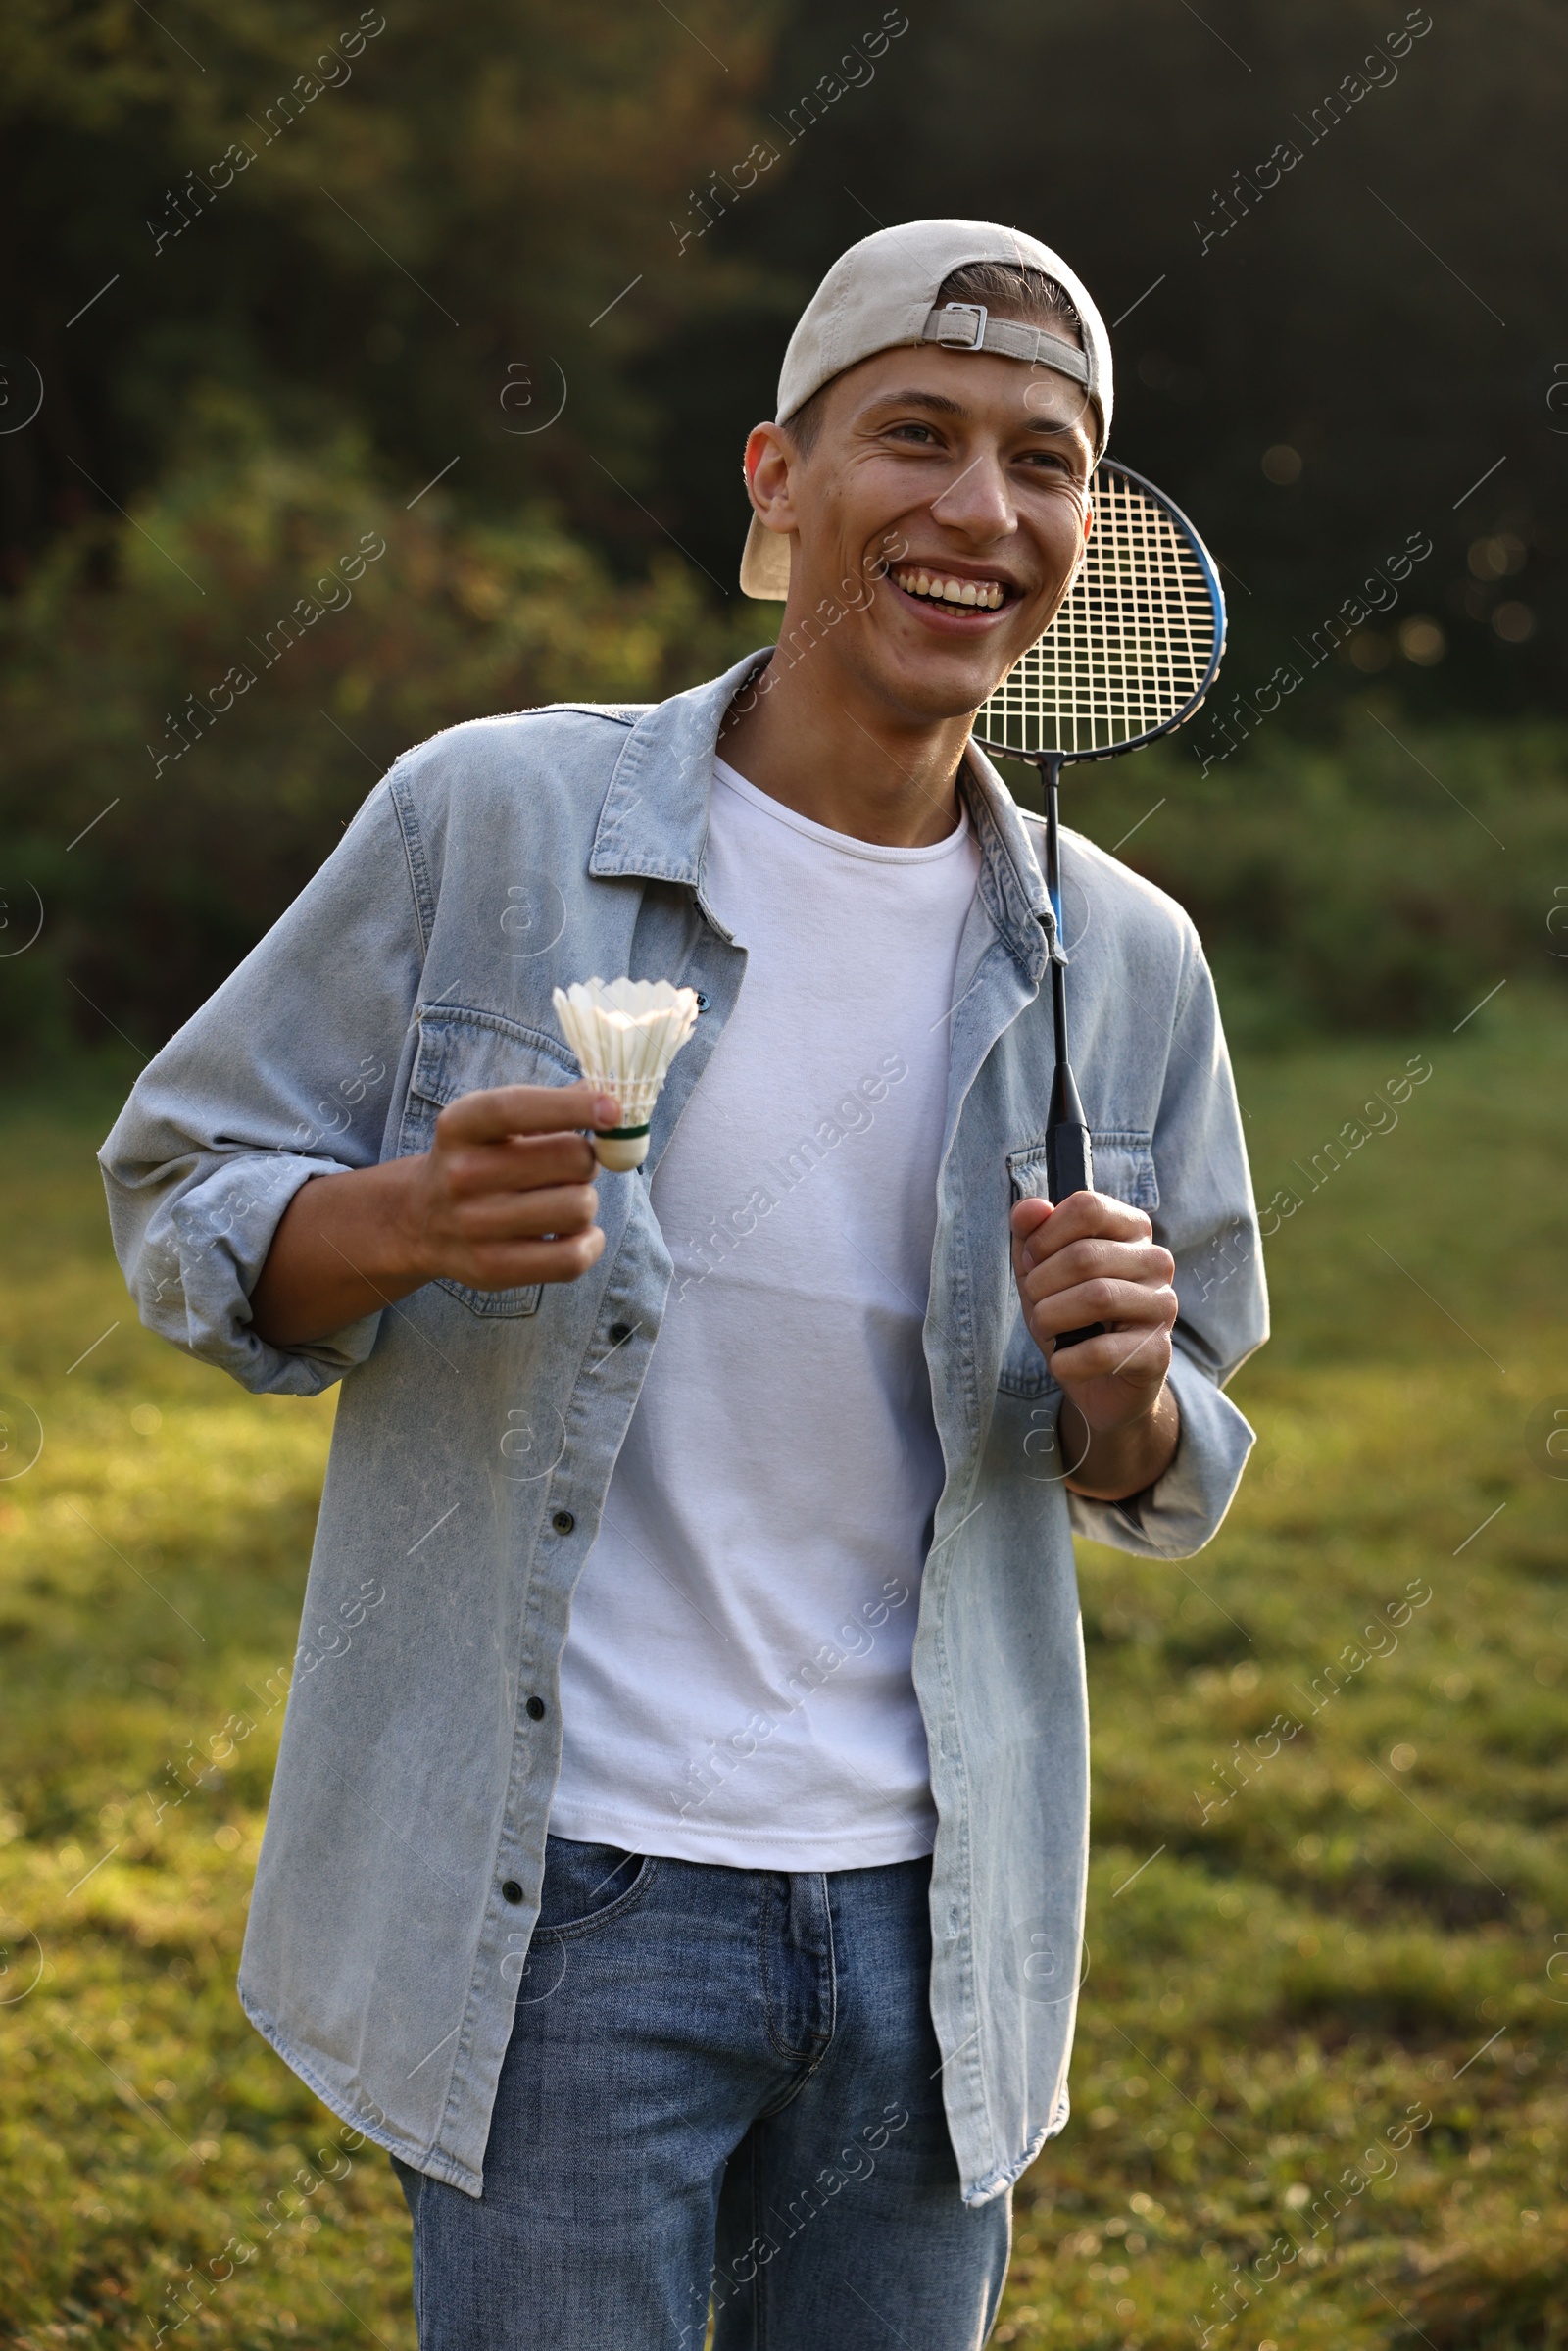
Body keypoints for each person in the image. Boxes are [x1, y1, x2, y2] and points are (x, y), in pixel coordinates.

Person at [102, 219, 1268, 2350]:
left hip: (939, 1926)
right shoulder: (493, 816)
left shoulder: (1129, 960)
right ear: (773, 479)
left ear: (1080, 530)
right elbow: (184, 1189)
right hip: (567, 1902)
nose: (974, 510)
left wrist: (1123, 1387)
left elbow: (1167, 1447)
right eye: (912, 436)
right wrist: (403, 1221)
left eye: (1038, 459)